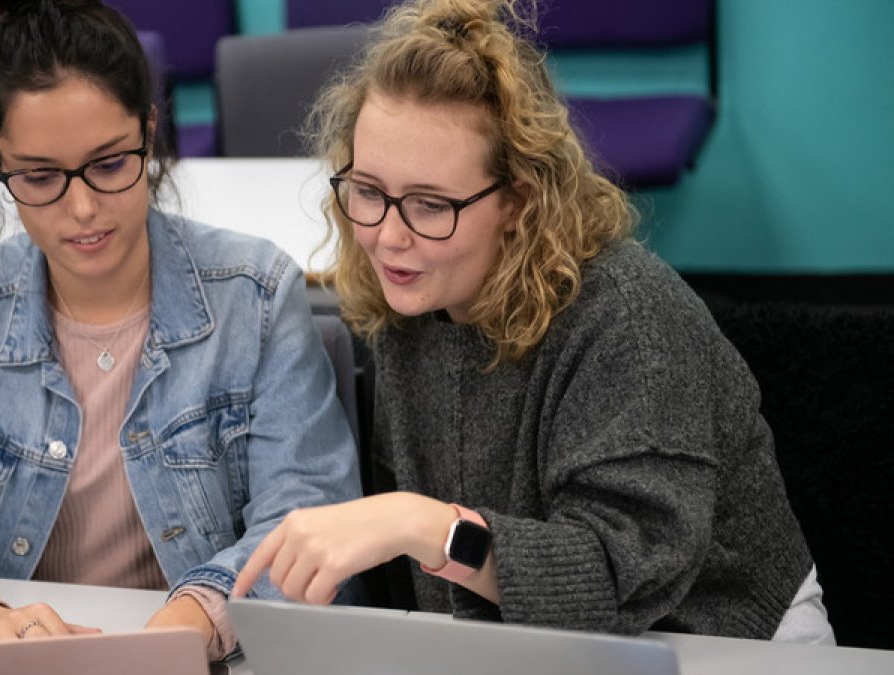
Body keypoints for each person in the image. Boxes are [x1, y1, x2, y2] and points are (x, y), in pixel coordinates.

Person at [234, 0, 834, 645]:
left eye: (431, 204)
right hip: (526, 638)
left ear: (519, 200)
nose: (386, 237)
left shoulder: (631, 323)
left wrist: (421, 524)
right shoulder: (412, 296)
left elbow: (620, 577)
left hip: (713, 638)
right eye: (369, 191)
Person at [0, 0, 360, 659]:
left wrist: (192, 621)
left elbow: (309, 517)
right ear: (0, 165)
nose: (81, 208)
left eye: (108, 164)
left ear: (150, 133)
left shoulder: (256, 294)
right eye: (39, 176)